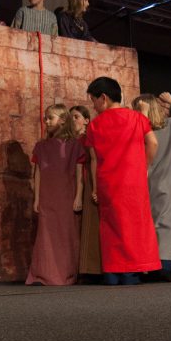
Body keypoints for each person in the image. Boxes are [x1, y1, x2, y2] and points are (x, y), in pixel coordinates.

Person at [83, 77, 160, 284]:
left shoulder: (94, 125)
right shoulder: (137, 118)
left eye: (93, 100)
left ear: (103, 98)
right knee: (135, 225)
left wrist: (95, 186)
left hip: (108, 182)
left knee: (111, 227)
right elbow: (153, 143)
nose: (93, 106)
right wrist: (144, 166)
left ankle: (112, 274)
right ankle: (130, 274)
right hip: (134, 181)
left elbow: (93, 159)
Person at [132, 92, 171, 277]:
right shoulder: (169, 125)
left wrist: (142, 115)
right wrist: (170, 100)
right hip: (166, 182)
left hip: (147, 181)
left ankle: (155, 267)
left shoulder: (143, 128)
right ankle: (163, 268)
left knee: (152, 225)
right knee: (166, 225)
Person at [26, 105, 85, 286]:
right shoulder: (41, 146)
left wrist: (78, 196)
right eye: (45, 118)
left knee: (65, 233)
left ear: (63, 120)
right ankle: (43, 273)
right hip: (48, 195)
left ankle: (65, 273)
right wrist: (37, 198)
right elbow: (38, 173)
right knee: (46, 234)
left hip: (66, 194)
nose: (46, 121)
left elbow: (79, 172)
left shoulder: (74, 145)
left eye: (50, 117)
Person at [70, 105, 101, 278]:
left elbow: (86, 164)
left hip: (86, 182)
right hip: (72, 184)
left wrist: (91, 188)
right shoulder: (69, 141)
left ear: (86, 120)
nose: (73, 120)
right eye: (71, 117)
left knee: (90, 224)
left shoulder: (86, 139)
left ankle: (90, 269)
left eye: (76, 117)